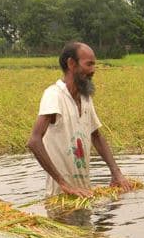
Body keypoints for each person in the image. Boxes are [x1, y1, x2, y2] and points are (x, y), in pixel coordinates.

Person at [27, 41, 131, 197]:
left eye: (94, 65)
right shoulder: (54, 95)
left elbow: (96, 136)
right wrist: (64, 185)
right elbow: (34, 141)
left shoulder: (85, 98)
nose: (93, 70)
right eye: (88, 64)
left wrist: (116, 173)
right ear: (71, 64)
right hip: (60, 197)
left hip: (84, 194)